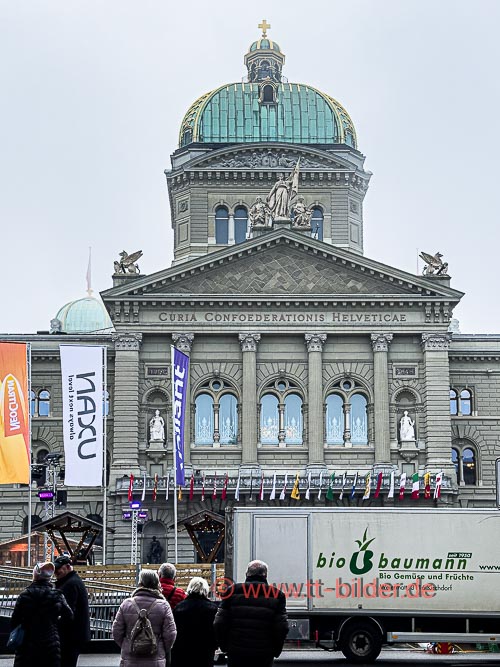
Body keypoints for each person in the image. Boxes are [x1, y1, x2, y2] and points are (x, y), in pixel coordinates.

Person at [214, 559, 289, 667]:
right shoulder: (277, 595)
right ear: (265, 575)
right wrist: (275, 650)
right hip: (264, 653)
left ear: (247, 574)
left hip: (236, 652)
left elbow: (219, 622)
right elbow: (282, 627)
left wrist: (225, 646)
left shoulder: (232, 591)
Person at [11, 561, 73, 667]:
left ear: (35, 576)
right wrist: (54, 624)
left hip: (27, 644)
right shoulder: (57, 596)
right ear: (49, 578)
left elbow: (14, 620)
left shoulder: (24, 595)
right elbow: (69, 616)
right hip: (50, 643)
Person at [112, 568, 177, 667]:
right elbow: (170, 634)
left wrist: (127, 644)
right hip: (155, 659)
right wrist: (161, 648)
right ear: (157, 583)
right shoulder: (164, 605)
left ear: (140, 583)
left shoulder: (126, 604)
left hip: (130, 660)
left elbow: (116, 631)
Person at [170, 577, 218, 667]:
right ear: (205, 590)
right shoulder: (212, 608)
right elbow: (216, 630)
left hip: (182, 650)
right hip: (205, 650)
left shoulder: (179, 607)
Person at [54, 554, 91, 667]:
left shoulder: (70, 584)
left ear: (68, 567)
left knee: (66, 662)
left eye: (58, 568)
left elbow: (67, 612)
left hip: (70, 635)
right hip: (75, 634)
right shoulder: (73, 581)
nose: (56, 572)